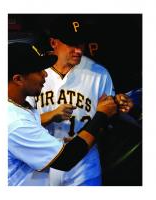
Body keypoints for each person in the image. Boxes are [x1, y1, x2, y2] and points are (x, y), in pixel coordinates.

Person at [27, 15, 133, 186]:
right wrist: (50, 116)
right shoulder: (33, 74)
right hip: (40, 169)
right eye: (72, 44)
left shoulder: (99, 73)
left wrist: (119, 105)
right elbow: (16, 123)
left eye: (81, 43)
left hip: (84, 168)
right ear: (54, 43)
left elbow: (109, 116)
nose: (79, 50)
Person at [8, 42, 118, 186]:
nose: (45, 73)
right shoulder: (15, 123)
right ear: (18, 79)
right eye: (38, 70)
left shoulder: (18, 109)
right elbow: (66, 159)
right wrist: (101, 114)